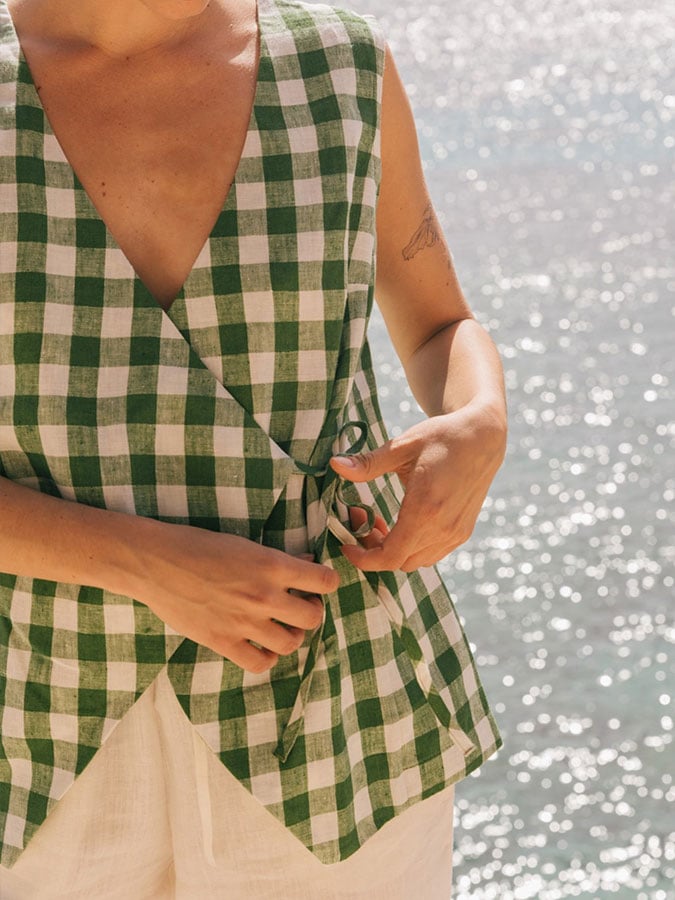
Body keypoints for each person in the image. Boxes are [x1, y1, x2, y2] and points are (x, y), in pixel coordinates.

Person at [0, 0, 507, 896]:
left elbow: (439, 324)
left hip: (337, 714)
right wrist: (147, 564)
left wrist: (478, 418)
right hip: (35, 723)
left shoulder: (342, 68)